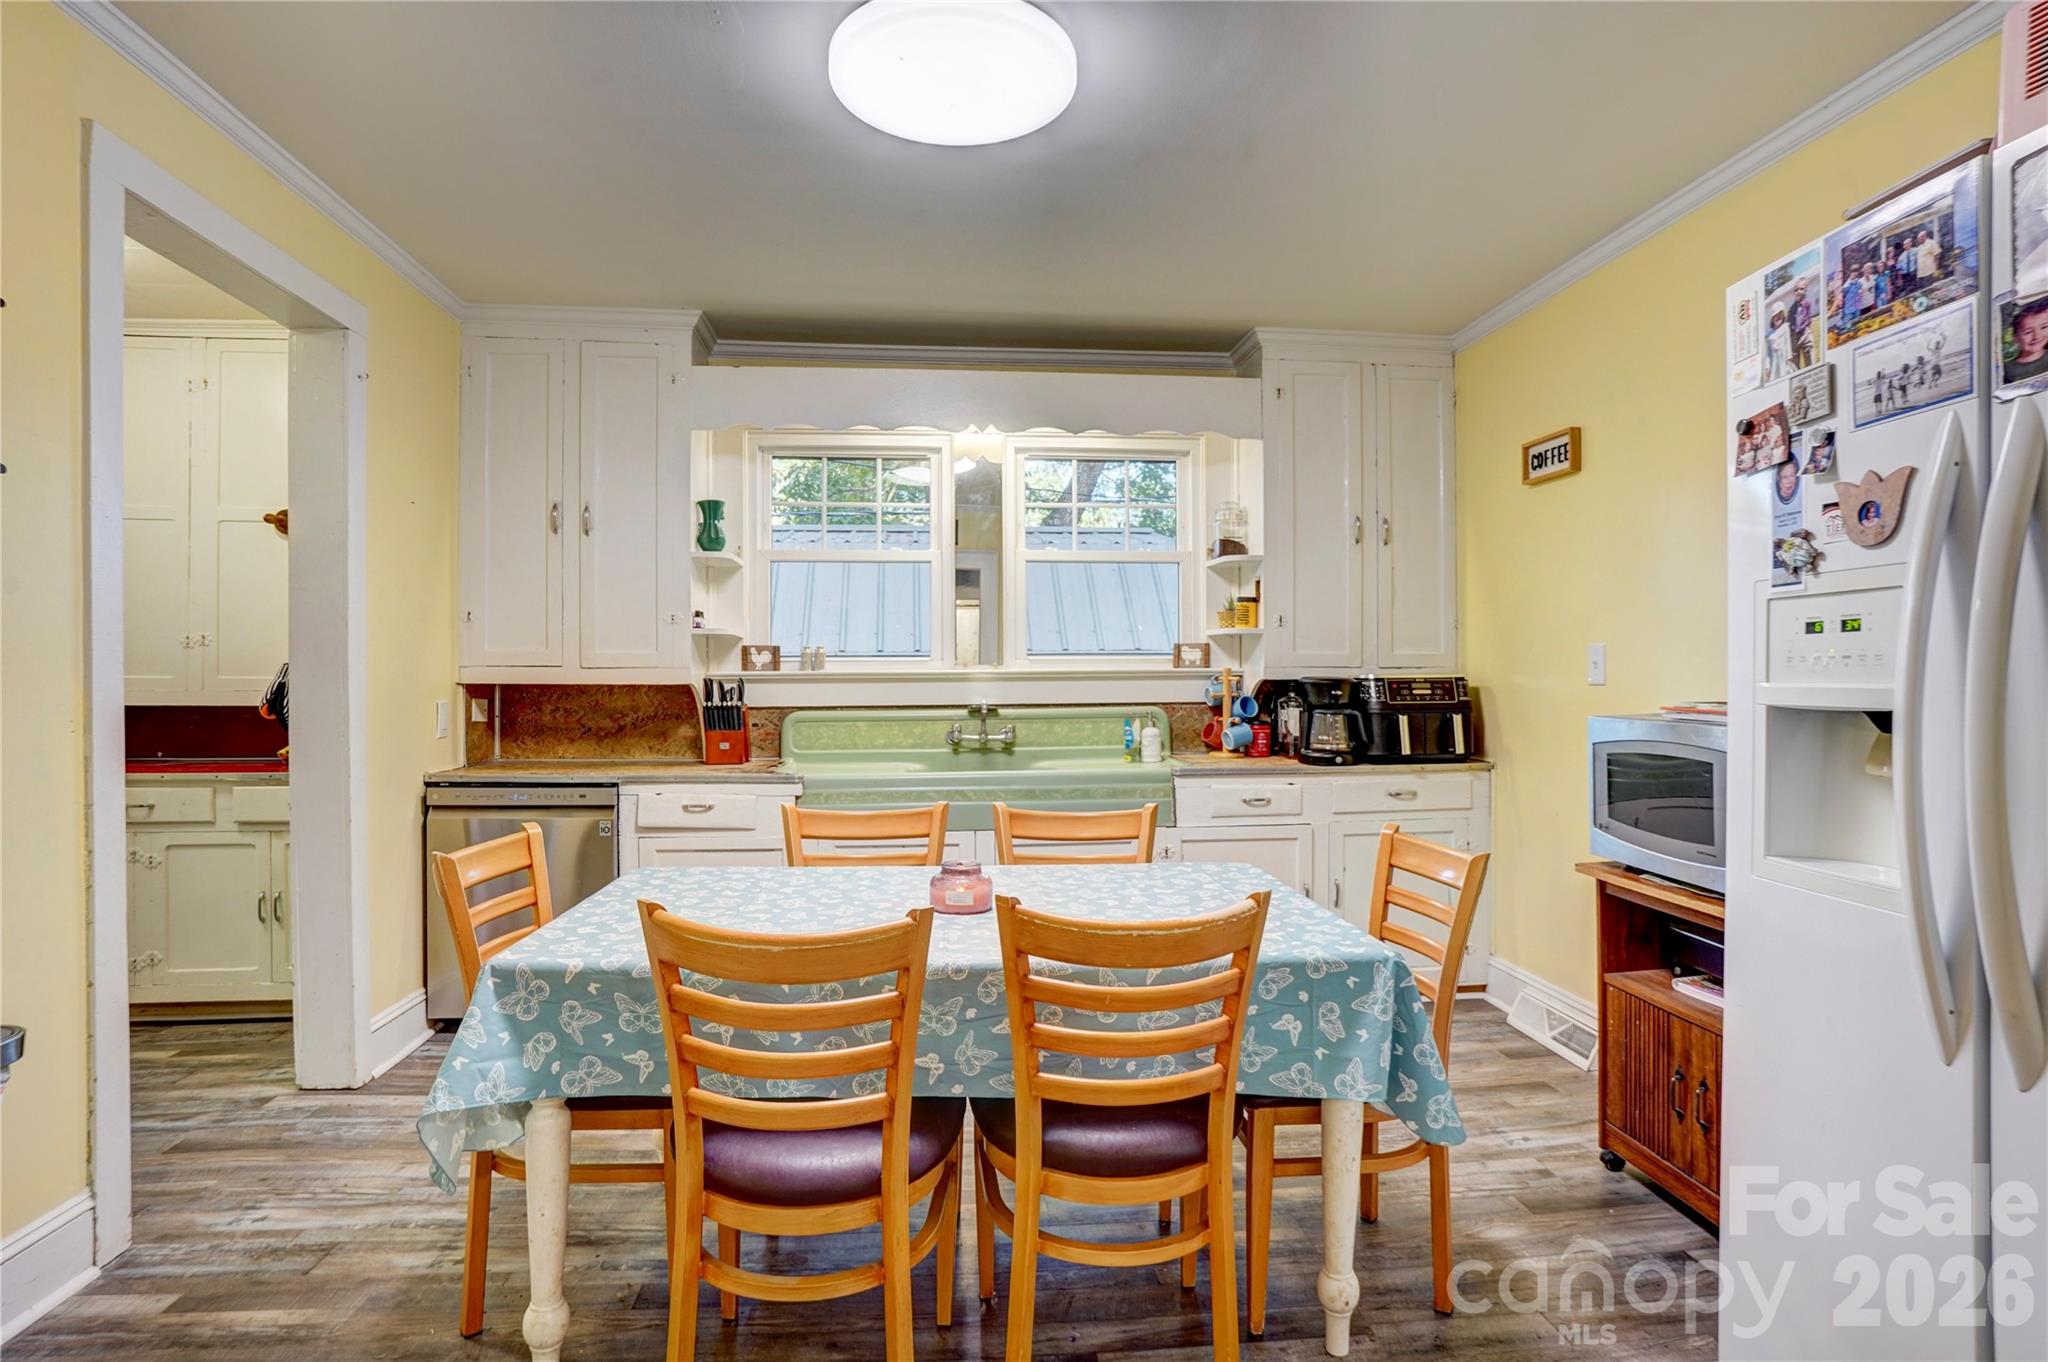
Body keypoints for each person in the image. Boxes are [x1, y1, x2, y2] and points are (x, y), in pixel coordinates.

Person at [2007, 296, 2048, 385]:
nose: (2037, 336)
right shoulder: (2008, 370)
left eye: (2044, 327)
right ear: (2015, 337)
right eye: (2028, 332)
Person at [1789, 279, 1816, 368]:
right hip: (1795, 337)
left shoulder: (1807, 304)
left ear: (1805, 291)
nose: (1798, 291)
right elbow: (1790, 321)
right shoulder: (1792, 307)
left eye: (1801, 289)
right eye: (1796, 290)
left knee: (1810, 361)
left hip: (1805, 333)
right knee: (1794, 364)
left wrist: (1807, 329)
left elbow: (1808, 318)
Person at [1765, 307, 1792, 381]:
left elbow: (1788, 344)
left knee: (1785, 375)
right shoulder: (1769, 334)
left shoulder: (1785, 328)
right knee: (1775, 378)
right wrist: (1767, 367)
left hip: (1783, 358)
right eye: (1775, 316)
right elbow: (1768, 353)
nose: (1778, 318)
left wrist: (1789, 358)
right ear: (1772, 319)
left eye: (1780, 315)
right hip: (1774, 361)